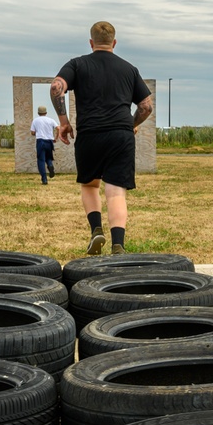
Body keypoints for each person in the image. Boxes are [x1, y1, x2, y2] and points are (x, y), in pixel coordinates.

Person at [50, 21, 153, 256]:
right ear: (114, 43)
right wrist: (131, 124)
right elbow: (146, 106)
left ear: (91, 42)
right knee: (116, 191)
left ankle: (96, 230)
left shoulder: (78, 64)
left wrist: (64, 122)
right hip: (121, 135)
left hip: (90, 134)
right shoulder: (129, 69)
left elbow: (57, 87)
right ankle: (118, 244)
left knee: (90, 185)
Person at [30, 106, 59, 185]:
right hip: (49, 141)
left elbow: (32, 132)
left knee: (41, 160)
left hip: (40, 141)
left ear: (38, 113)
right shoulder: (51, 120)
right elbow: (58, 128)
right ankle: (50, 165)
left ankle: (44, 179)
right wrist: (55, 138)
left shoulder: (35, 121)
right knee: (48, 157)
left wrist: (37, 133)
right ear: (46, 113)